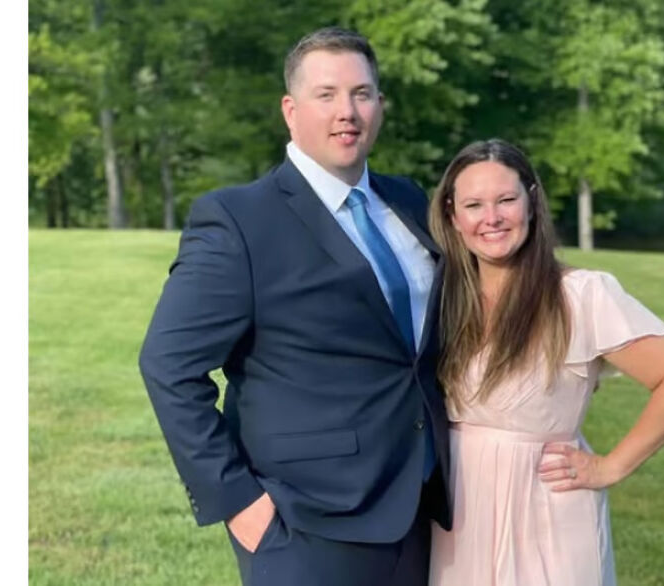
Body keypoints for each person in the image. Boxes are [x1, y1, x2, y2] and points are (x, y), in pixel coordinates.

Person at [138, 27, 451, 586]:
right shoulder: (239, 220)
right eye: (325, 94)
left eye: (361, 93)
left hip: (424, 508)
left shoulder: (407, 201)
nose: (346, 112)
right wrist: (238, 500)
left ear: (380, 105)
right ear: (291, 109)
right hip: (306, 524)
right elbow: (168, 364)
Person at [426, 139, 664, 586]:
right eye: (474, 205)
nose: (492, 218)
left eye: (506, 200)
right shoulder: (444, 300)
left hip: (546, 511)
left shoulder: (579, 296)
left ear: (532, 202)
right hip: (459, 516)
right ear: (452, 216)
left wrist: (611, 466)